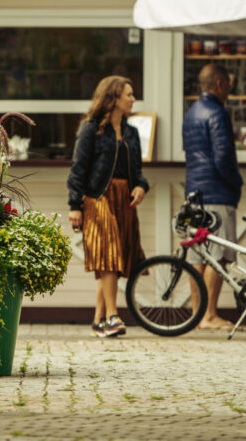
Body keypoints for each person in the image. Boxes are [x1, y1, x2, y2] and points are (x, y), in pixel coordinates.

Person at [67, 76, 149, 338]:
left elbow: (138, 173)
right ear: (113, 98)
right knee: (109, 256)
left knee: (109, 260)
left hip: (123, 201)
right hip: (97, 198)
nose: (133, 99)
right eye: (129, 94)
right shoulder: (90, 129)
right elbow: (78, 169)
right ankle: (113, 316)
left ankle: (98, 320)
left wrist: (141, 187)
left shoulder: (132, 133)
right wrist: (75, 205)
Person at [182, 64, 243, 331]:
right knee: (216, 257)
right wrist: (236, 183)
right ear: (218, 84)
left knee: (198, 256)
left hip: (195, 191)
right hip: (217, 192)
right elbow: (223, 157)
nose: (230, 89)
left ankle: (197, 314)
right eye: (228, 84)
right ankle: (210, 314)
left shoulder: (192, 112)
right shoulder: (218, 113)